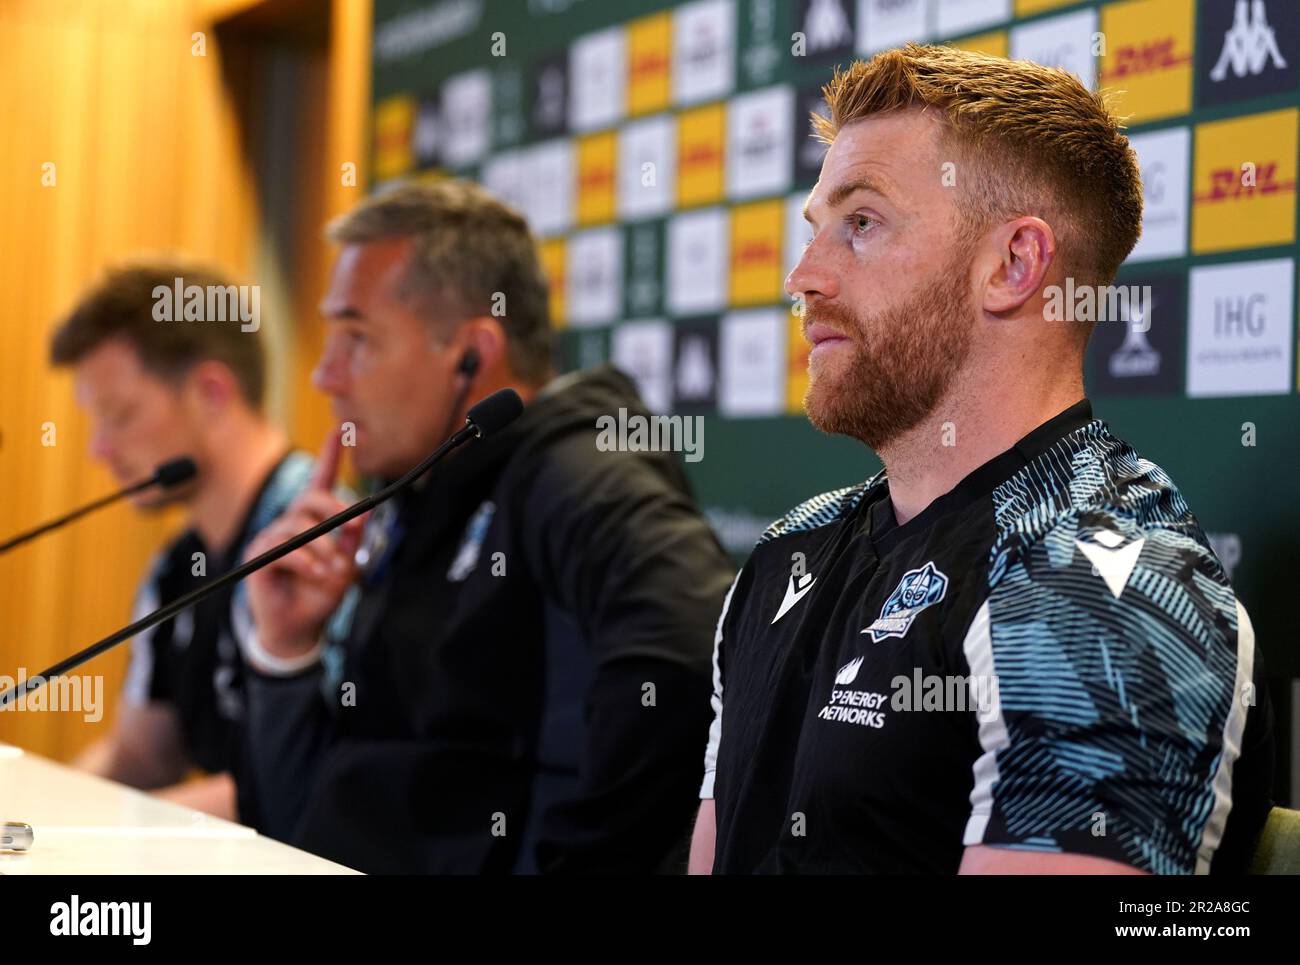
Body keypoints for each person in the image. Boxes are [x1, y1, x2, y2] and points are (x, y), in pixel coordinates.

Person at [689, 44, 1275, 875]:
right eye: (816, 230)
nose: (803, 276)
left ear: (1014, 265)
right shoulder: (788, 554)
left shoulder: (1098, 589)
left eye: (861, 223)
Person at [239, 180, 734, 873]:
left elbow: (691, 649)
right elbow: (307, 822)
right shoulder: (415, 494)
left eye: (356, 338)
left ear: (471, 352)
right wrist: (287, 652)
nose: (324, 375)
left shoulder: (575, 467)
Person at [49, 260, 313, 819]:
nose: (99, 449)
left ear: (212, 393)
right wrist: (31, 816)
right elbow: (141, 754)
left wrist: (84, 830)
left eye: (120, 415)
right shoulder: (177, 566)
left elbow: (303, 783)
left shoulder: (317, 541)